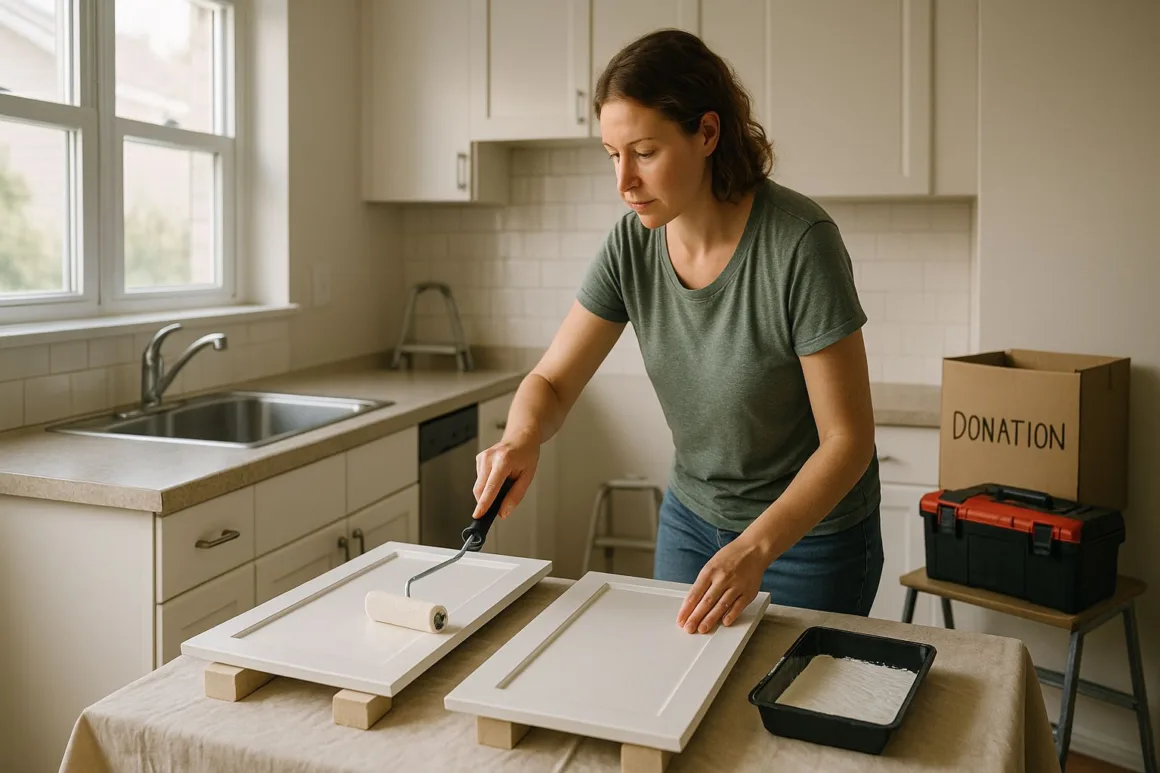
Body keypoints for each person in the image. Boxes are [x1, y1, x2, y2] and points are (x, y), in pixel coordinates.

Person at [471, 28, 883, 635]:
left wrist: (756, 547)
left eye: (644, 151)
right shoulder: (630, 246)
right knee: (680, 707)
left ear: (708, 134)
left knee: (785, 722)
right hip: (692, 524)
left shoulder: (798, 243)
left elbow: (847, 440)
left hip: (809, 542)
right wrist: (522, 437)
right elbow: (552, 381)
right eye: (613, 155)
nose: (624, 182)